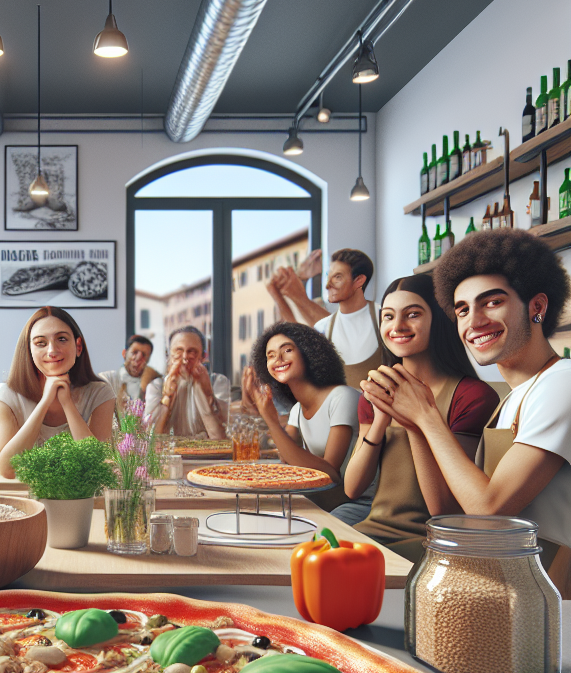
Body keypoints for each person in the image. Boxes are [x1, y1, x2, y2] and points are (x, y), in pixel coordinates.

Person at [362, 231, 571, 587]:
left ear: (537, 307)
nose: (473, 321)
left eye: (491, 302)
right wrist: (412, 422)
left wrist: (428, 416)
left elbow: (490, 511)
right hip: (505, 574)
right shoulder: (513, 397)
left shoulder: (561, 383)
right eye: (462, 309)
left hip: (547, 591)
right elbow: (446, 511)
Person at [344, 273, 499, 564]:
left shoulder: (471, 396)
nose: (397, 326)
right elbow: (352, 488)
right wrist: (380, 419)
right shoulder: (375, 392)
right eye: (388, 317)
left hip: (433, 542)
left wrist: (414, 420)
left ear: (439, 320)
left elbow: (445, 510)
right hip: (370, 533)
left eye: (412, 314)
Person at [243, 321, 366, 517]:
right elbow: (289, 458)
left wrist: (271, 420)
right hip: (322, 501)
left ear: (308, 353)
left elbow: (330, 474)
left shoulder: (342, 398)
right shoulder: (297, 410)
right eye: (271, 355)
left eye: (287, 350)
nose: (279, 359)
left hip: (354, 504)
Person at [0, 306, 116, 479]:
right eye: (40, 343)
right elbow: (7, 470)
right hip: (27, 498)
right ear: (29, 350)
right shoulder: (6, 395)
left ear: (78, 346)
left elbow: (97, 465)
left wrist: (67, 404)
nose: (52, 351)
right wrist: (45, 402)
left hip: (82, 500)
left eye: (62, 339)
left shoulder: (100, 393)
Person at [267, 249, 381, 390]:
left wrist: (296, 292)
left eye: (337, 277)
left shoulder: (383, 317)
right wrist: (281, 292)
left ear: (359, 281)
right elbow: (291, 332)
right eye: (328, 275)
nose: (328, 285)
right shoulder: (324, 326)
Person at [144, 326, 229, 438]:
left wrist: (206, 394)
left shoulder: (218, 382)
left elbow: (222, 438)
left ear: (203, 357)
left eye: (192, 352)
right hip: (171, 453)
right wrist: (167, 399)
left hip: (208, 454)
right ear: (168, 355)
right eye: (179, 351)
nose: (185, 357)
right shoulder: (156, 386)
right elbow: (150, 439)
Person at [99, 334, 161, 411]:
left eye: (144, 355)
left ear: (148, 360)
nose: (138, 359)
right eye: (134, 352)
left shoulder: (152, 385)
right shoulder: (109, 378)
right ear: (124, 353)